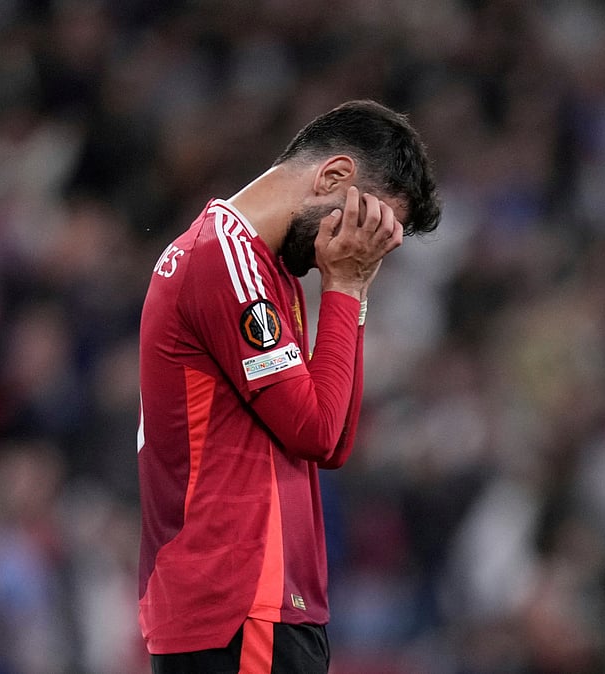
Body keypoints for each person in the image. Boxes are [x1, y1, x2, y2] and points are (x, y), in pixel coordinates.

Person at [136, 100, 440, 673]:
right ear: (334, 177)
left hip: (265, 608)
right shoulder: (224, 257)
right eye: (366, 221)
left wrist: (353, 292)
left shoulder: (271, 274)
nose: (366, 246)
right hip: (238, 604)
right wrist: (346, 287)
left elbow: (335, 442)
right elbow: (314, 430)